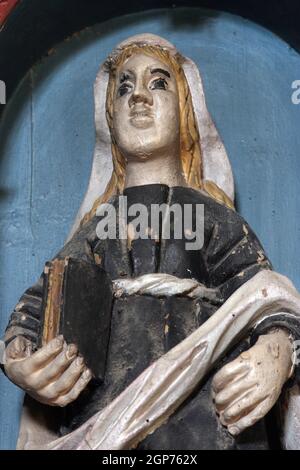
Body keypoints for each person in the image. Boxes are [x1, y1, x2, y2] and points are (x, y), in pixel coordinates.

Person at [2, 34, 300, 450]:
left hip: (207, 422)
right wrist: (20, 358)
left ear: (186, 111)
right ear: (109, 115)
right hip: (107, 425)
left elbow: (265, 298)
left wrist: (277, 351)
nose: (138, 97)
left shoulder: (212, 219)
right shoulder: (100, 228)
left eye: (158, 83)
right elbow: (42, 303)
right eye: (124, 87)